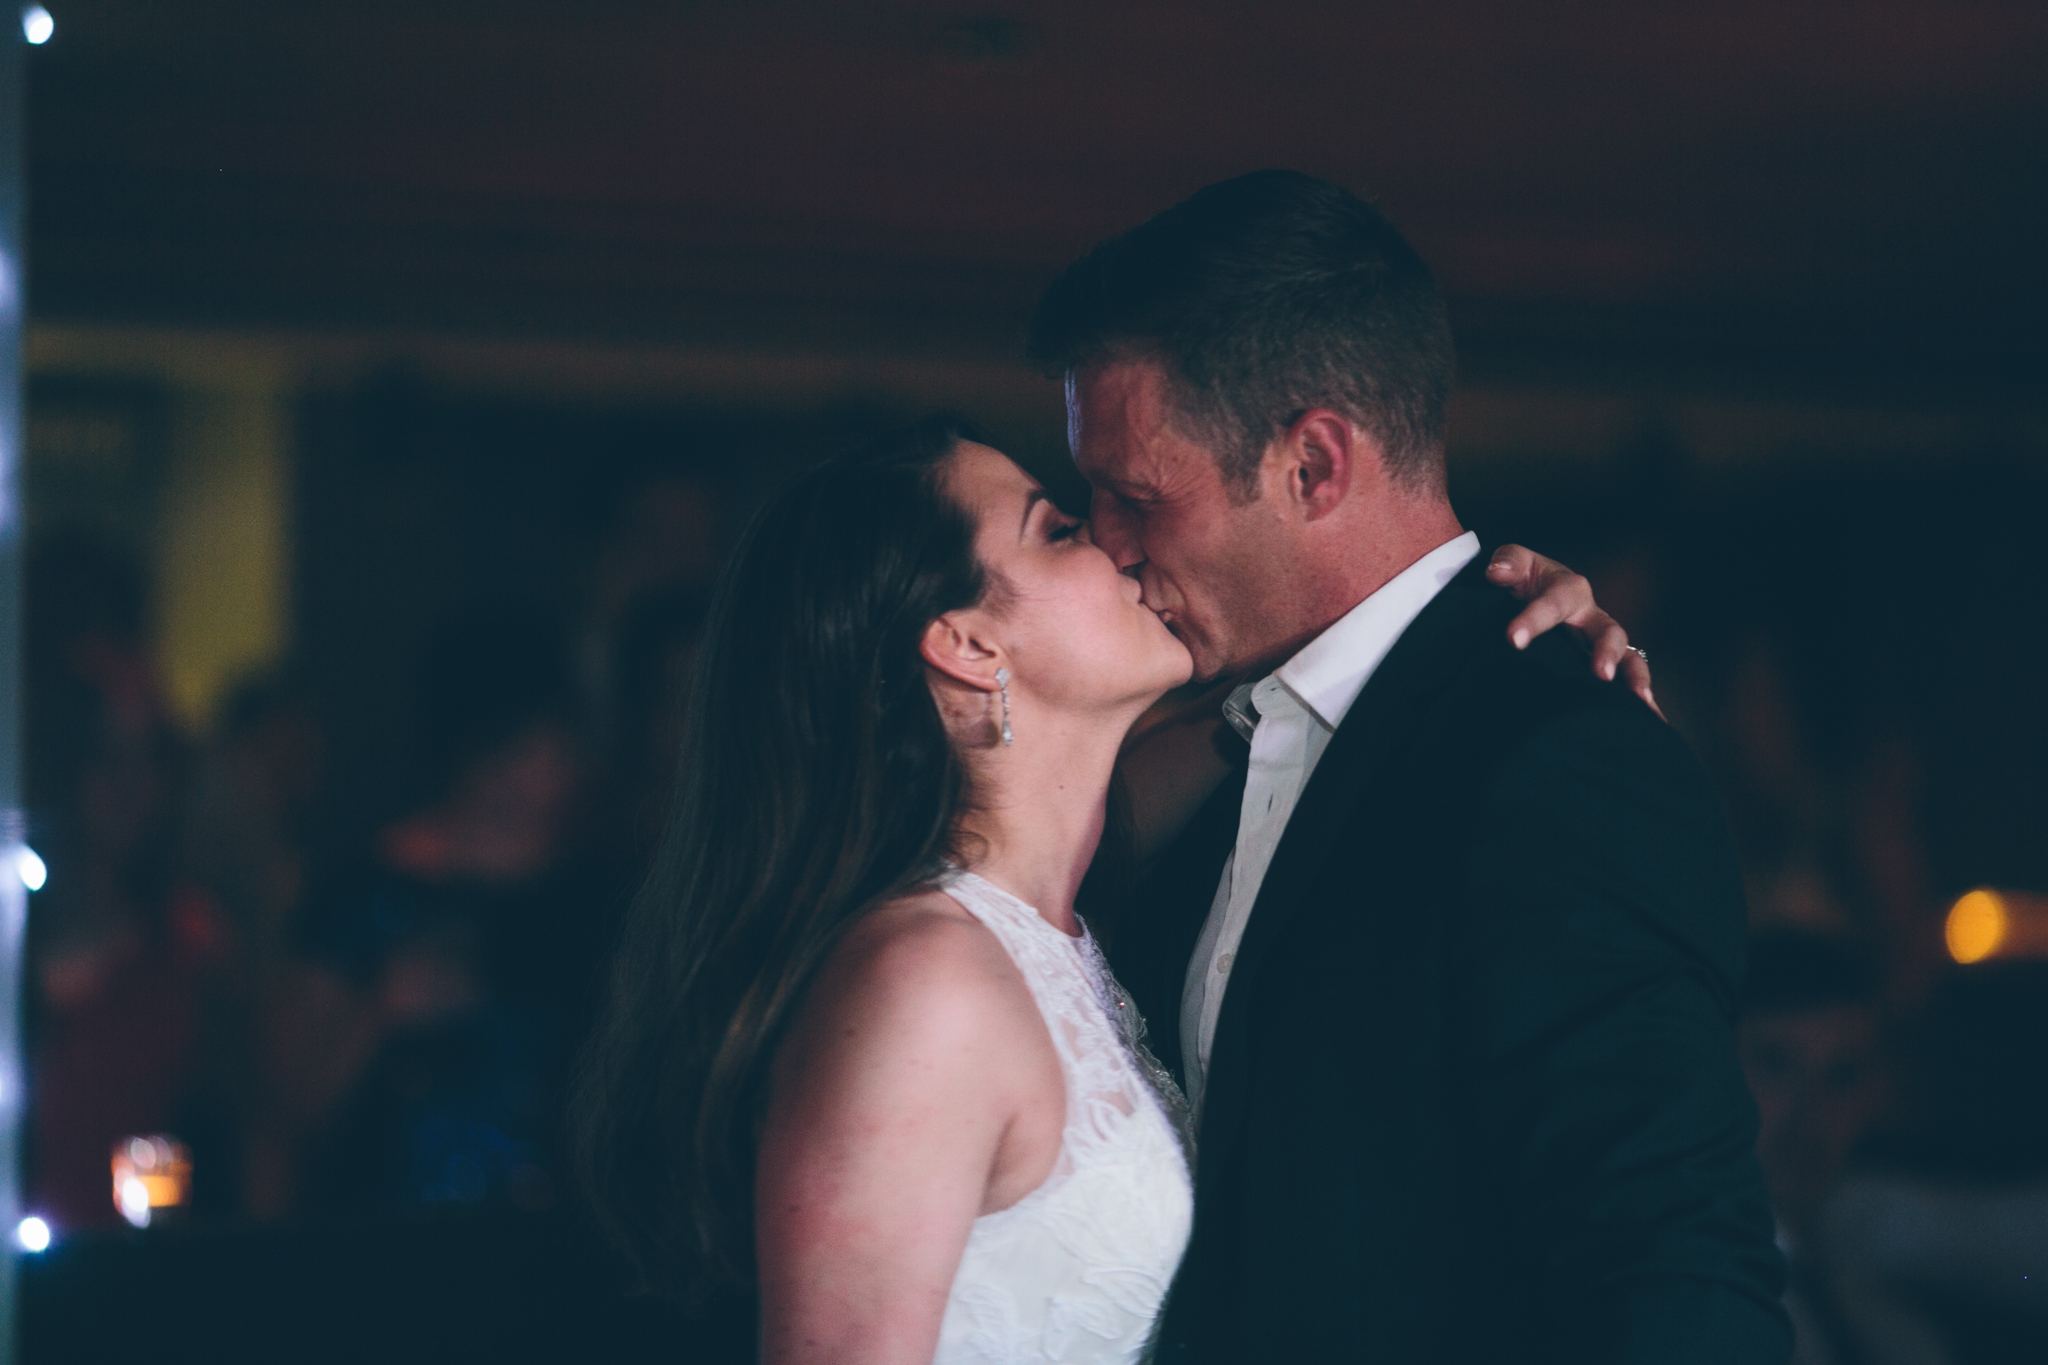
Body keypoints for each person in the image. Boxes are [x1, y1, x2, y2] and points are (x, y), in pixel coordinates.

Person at [572, 414, 1643, 1364]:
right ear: (965, 642)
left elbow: (1321, 711)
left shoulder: (1070, 925)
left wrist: (1484, 633)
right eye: (1055, 528)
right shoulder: (923, 982)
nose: (1116, 543)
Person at [1026, 169, 1789, 1363]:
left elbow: (1673, 1274)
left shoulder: (1556, 757)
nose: (1108, 546)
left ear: (1312, 466)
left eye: (1134, 497)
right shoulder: (1219, 749)